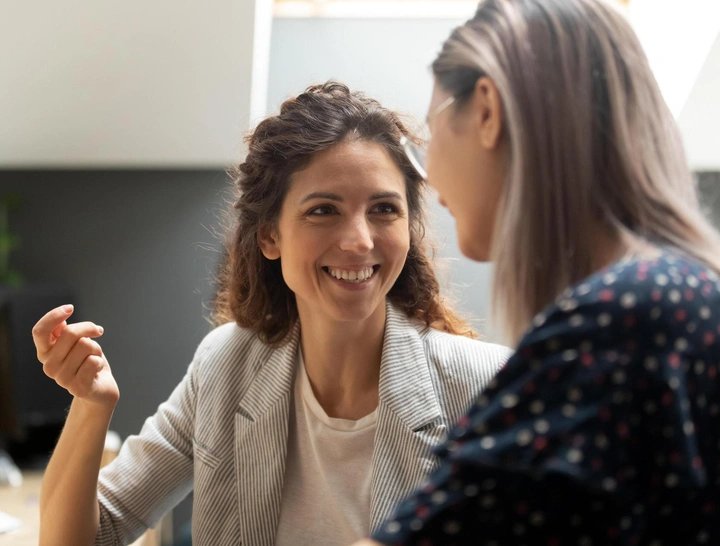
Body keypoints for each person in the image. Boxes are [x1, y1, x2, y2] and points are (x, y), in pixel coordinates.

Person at [31, 82, 511, 546]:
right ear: (269, 237)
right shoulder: (226, 366)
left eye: (384, 209)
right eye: (324, 210)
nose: (361, 240)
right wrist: (92, 406)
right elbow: (87, 537)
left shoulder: (488, 387)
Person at [354, 0, 720, 544]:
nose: (429, 177)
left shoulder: (622, 320)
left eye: (431, 137)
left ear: (486, 110)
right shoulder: (683, 297)